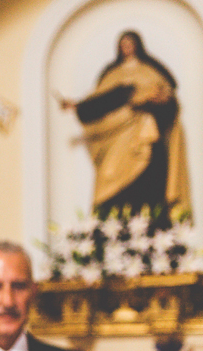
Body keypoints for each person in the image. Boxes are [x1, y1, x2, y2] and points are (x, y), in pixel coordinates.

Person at [60, 30, 189, 218]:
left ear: (138, 45)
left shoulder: (151, 72)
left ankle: (150, 224)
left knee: (148, 185)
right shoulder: (112, 75)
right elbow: (99, 102)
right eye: (123, 45)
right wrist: (78, 105)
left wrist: (157, 100)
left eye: (130, 44)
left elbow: (170, 104)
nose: (127, 48)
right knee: (110, 179)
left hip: (146, 137)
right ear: (119, 48)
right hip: (118, 140)